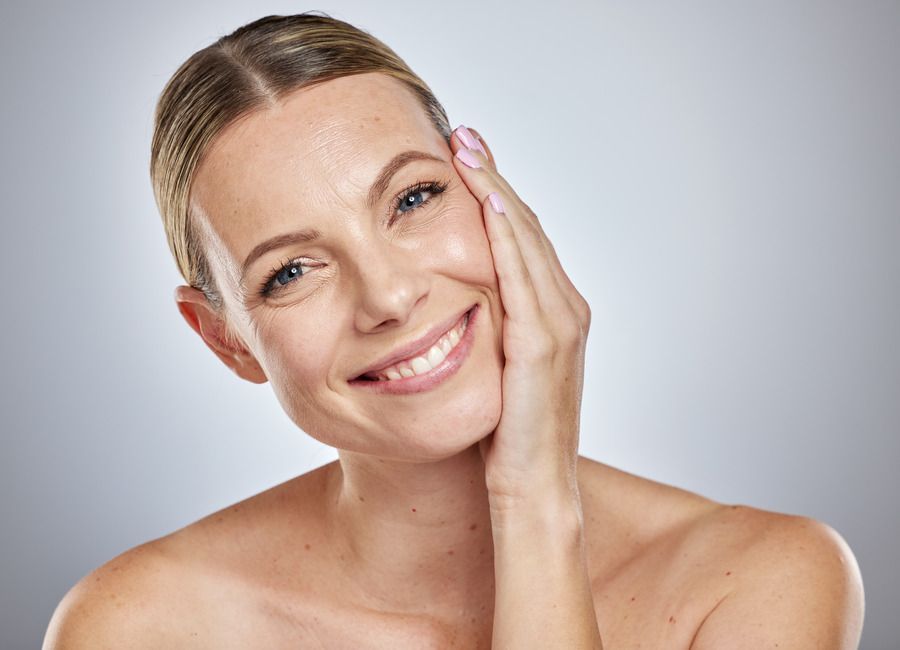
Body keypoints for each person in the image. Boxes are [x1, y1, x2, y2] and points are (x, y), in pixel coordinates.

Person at [43, 12, 864, 649]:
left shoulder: (760, 581)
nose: (391, 296)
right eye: (290, 271)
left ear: (488, 186)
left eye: (413, 199)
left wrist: (536, 503)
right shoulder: (140, 626)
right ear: (224, 339)